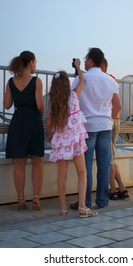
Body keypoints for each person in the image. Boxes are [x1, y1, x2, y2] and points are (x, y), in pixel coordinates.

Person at [70, 47, 121, 209]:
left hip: (87, 127)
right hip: (105, 126)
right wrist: (108, 119)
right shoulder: (110, 81)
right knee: (104, 165)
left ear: (91, 60)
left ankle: (85, 202)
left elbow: (72, 100)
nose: (84, 61)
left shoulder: (81, 79)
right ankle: (102, 200)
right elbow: (118, 105)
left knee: (86, 167)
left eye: (86, 58)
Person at [46, 60, 97, 218]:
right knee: (82, 172)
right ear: (67, 84)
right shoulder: (74, 95)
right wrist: (78, 67)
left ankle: (62, 209)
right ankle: (82, 207)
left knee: (62, 174)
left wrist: (50, 137)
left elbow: (49, 125)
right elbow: (83, 80)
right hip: (75, 140)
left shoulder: (54, 104)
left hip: (62, 141)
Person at [3, 50, 44, 211]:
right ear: (31, 62)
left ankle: (21, 200)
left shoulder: (11, 81)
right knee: (37, 161)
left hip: (18, 121)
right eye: (35, 62)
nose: (36, 65)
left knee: (18, 163)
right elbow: (40, 105)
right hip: (33, 120)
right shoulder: (37, 81)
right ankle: (36, 199)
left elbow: (6, 105)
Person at [100, 58, 129, 200]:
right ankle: (122, 188)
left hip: (110, 121)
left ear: (104, 66)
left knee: (109, 159)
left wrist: (108, 120)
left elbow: (116, 105)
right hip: (115, 120)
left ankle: (113, 190)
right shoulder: (112, 79)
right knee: (111, 156)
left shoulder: (106, 79)